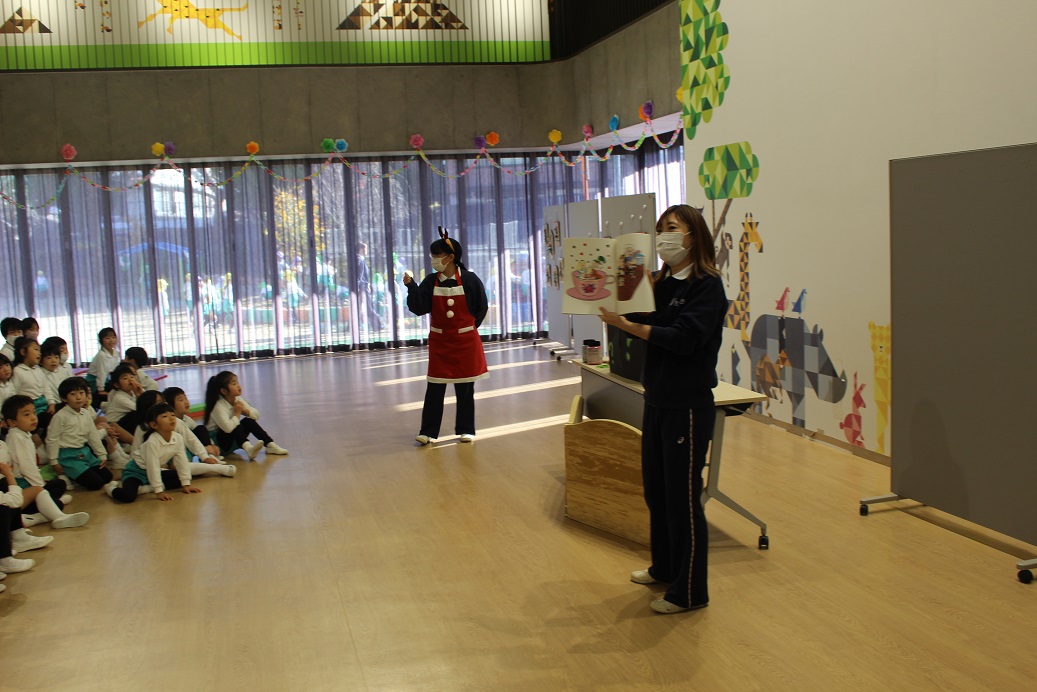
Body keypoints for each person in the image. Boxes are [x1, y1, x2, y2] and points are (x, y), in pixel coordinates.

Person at [597, 204, 727, 615]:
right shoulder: (661, 282)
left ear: (693, 236)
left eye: (672, 228)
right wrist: (611, 289)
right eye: (661, 229)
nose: (664, 236)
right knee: (657, 492)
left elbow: (683, 338)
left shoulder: (707, 286)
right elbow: (639, 312)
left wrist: (627, 326)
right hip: (656, 398)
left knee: (683, 498)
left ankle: (689, 591)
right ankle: (666, 567)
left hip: (687, 404)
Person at [403, 230, 488, 445]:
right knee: (435, 387)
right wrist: (411, 287)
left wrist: (468, 328)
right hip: (440, 343)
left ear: (450, 257)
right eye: (432, 255)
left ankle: (466, 429)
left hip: (465, 343)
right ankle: (428, 432)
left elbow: (481, 307)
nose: (433, 259)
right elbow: (419, 308)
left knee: (465, 388)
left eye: (437, 255)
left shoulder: (470, 279)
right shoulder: (431, 281)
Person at [2, 395, 90, 529]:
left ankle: (43, 509)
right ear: (12, 422)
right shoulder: (16, 437)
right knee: (49, 497)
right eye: (26, 415)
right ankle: (56, 516)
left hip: (27, 483)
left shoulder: (23, 433)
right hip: (21, 485)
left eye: (34, 412)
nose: (33, 418)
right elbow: (27, 468)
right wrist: (41, 486)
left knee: (59, 484)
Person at [105, 403, 201, 504]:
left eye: (172, 415)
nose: (171, 418)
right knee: (128, 496)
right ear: (154, 425)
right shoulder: (152, 442)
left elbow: (182, 461)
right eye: (165, 416)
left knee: (180, 478)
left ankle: (144, 488)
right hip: (136, 471)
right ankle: (111, 488)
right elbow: (153, 466)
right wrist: (159, 491)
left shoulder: (178, 438)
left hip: (154, 471)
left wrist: (186, 484)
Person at [45, 378, 113, 491]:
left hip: (84, 452)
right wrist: (54, 461)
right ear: (64, 398)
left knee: (107, 477)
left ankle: (76, 476)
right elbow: (52, 439)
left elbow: (92, 435)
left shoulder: (85, 413)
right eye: (73, 394)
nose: (78, 397)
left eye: (81, 393)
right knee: (96, 484)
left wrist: (101, 454)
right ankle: (66, 475)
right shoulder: (60, 416)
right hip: (67, 456)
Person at [204, 371, 289, 459]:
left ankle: (270, 445)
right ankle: (248, 449)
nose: (238, 386)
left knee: (248, 421)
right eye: (234, 384)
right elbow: (228, 429)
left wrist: (245, 411)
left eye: (237, 382)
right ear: (224, 391)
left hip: (232, 441)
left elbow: (256, 415)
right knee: (234, 424)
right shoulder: (218, 406)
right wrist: (237, 413)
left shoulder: (238, 400)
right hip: (218, 447)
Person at [86, 327, 120, 407]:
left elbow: (116, 370)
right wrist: (101, 390)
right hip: (95, 383)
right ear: (101, 341)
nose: (111, 340)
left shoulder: (115, 352)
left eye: (113, 337)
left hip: (106, 380)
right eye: (107, 338)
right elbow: (101, 374)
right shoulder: (101, 355)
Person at [355, 241, 383, 334]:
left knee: (358, 308)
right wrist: (358, 286)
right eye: (365, 249)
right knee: (369, 307)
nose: (366, 251)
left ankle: (355, 326)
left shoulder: (357, 259)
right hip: (362, 287)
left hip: (362, 286)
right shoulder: (360, 259)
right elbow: (359, 275)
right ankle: (378, 325)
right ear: (361, 249)